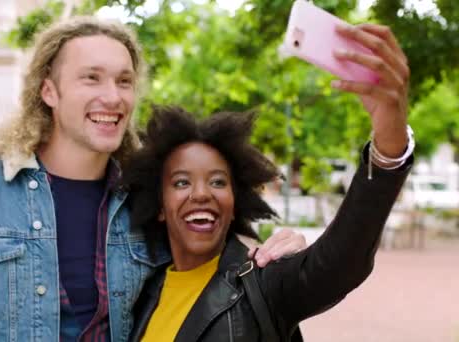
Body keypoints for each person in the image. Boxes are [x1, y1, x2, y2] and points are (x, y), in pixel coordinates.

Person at [0, 16, 306, 341]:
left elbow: (217, 270)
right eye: (91, 78)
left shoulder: (145, 205)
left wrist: (279, 252)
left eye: (124, 81)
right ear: (48, 91)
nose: (112, 97)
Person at [126, 23, 413, 342]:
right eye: (181, 183)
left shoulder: (263, 282)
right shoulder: (140, 295)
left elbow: (341, 261)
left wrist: (389, 146)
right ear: (160, 207)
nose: (202, 193)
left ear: (235, 205)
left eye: (218, 182)